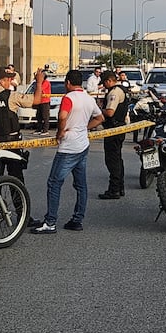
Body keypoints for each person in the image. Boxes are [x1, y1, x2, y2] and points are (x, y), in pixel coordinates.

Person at [31, 69, 105, 234]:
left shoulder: (68, 98)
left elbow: (62, 117)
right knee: (81, 185)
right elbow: (100, 118)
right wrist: (84, 128)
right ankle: (77, 219)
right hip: (83, 145)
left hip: (68, 147)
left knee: (54, 183)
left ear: (68, 83)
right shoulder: (88, 98)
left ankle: (50, 222)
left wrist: (60, 132)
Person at [0, 66, 44, 184]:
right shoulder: (11, 96)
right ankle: (19, 202)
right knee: (16, 180)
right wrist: (39, 82)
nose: (11, 82)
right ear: (1, 81)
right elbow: (36, 100)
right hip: (12, 143)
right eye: (8, 79)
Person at [98, 70, 130, 199]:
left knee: (112, 161)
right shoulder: (121, 89)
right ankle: (119, 187)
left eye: (105, 83)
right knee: (117, 159)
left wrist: (99, 110)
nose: (104, 86)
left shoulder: (114, 92)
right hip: (118, 128)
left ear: (109, 81)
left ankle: (114, 190)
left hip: (114, 129)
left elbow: (110, 112)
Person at [33, 70, 52, 136]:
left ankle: (45, 130)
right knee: (39, 116)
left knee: (45, 116)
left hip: (45, 101)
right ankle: (39, 129)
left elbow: (40, 89)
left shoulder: (46, 83)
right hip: (39, 101)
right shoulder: (38, 83)